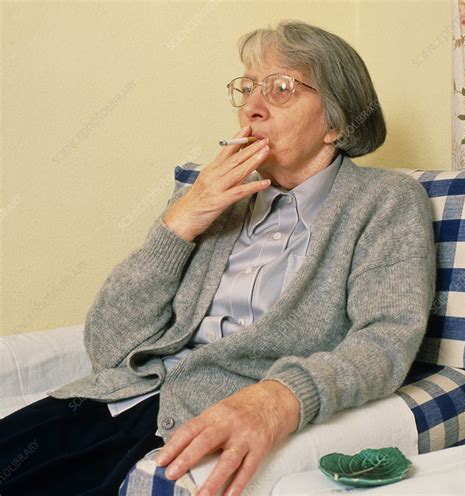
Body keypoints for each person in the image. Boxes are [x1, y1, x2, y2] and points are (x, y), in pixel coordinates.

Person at [0, 19, 436, 496]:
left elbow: (385, 343)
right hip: (114, 399)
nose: (251, 107)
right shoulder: (211, 196)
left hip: (203, 419)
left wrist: (278, 397)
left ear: (335, 123)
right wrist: (178, 225)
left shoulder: (386, 200)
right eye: (247, 88)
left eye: (281, 88)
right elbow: (108, 345)